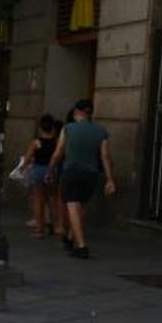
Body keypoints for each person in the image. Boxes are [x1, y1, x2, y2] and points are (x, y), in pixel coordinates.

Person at [47, 99, 116, 259]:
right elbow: (105, 156)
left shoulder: (68, 128)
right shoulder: (100, 131)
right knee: (80, 206)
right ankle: (71, 237)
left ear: (76, 112)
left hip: (71, 171)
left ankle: (81, 245)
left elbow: (58, 152)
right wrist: (109, 179)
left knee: (72, 205)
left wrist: (50, 169)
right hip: (91, 174)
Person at [21, 114, 59, 238]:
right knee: (52, 199)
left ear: (40, 127)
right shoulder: (57, 141)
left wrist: (23, 167)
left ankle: (39, 229)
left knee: (39, 201)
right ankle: (55, 225)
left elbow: (27, 158)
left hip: (38, 170)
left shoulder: (36, 142)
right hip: (52, 170)